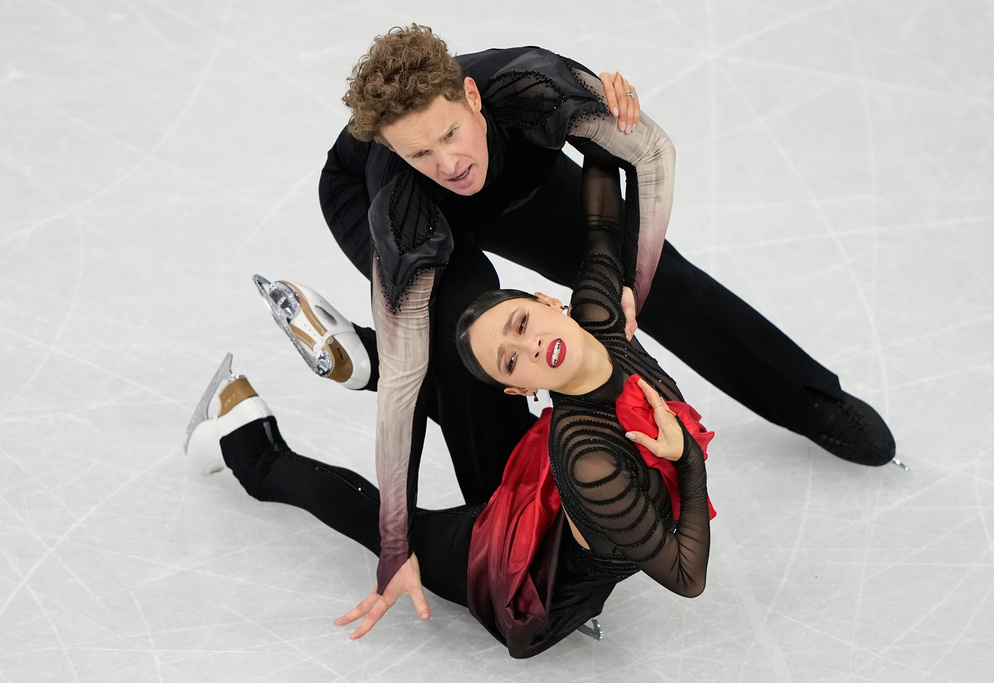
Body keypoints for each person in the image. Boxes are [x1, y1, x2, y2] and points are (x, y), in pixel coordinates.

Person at [300, 22, 895, 638]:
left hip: (517, 183)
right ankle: (528, 540)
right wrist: (395, 543)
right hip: (385, 206)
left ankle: (812, 401)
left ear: (474, 98)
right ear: (398, 153)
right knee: (465, 334)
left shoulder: (532, 85)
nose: (448, 163)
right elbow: (405, 385)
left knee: (663, 285)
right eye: (420, 152)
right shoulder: (398, 208)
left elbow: (652, 152)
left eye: (451, 133)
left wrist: (634, 284)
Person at [183, 168, 714, 655]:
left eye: (524, 323)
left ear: (549, 301)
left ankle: (374, 362)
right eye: (512, 360)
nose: (530, 347)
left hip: (544, 489)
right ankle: (246, 440)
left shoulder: (598, 316)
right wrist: (687, 459)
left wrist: (598, 118)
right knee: (384, 524)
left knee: (479, 362)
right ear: (515, 389)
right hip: (517, 574)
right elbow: (687, 576)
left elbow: (601, 224)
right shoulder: (588, 457)